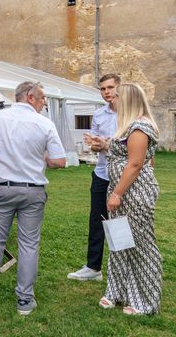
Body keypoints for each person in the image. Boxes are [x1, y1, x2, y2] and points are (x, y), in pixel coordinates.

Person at [0, 81, 66, 316]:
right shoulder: (45, 124)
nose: (44, 103)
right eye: (42, 98)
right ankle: (24, 299)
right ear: (30, 97)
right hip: (33, 190)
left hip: (2, 187)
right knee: (29, 244)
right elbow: (60, 161)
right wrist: (43, 158)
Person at [88, 83, 161, 315]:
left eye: (117, 96)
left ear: (128, 99)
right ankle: (117, 292)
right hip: (120, 191)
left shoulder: (140, 126)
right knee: (119, 242)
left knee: (140, 245)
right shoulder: (127, 126)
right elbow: (123, 150)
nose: (112, 99)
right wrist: (105, 145)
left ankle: (144, 300)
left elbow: (136, 163)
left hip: (135, 193)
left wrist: (117, 193)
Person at [68, 73, 120, 281]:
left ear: (119, 88)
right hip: (101, 173)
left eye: (109, 87)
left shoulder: (131, 113)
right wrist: (96, 144)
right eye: (102, 89)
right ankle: (93, 267)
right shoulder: (99, 114)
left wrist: (108, 144)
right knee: (97, 220)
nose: (106, 92)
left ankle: (120, 267)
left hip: (122, 175)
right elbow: (94, 144)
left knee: (120, 221)